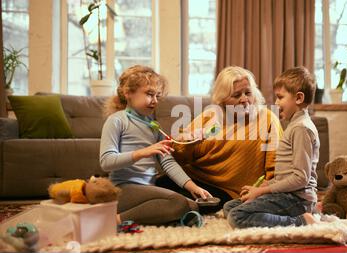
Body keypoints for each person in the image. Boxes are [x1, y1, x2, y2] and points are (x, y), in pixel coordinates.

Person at [158, 66, 283, 213]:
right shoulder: (210, 116)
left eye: (248, 93)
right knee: (158, 186)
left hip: (228, 192)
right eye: (236, 95)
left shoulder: (267, 119)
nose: (244, 99)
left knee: (177, 203)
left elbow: (276, 165)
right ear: (222, 100)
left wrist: (262, 192)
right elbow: (179, 158)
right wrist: (186, 142)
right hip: (192, 180)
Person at [100, 65, 211, 225]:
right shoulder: (117, 121)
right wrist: (143, 152)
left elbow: (167, 162)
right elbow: (106, 162)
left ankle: (153, 215)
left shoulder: (153, 125)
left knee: (193, 204)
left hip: (147, 189)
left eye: (157, 96)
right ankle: (115, 220)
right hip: (123, 190)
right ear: (128, 93)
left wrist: (193, 187)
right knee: (177, 203)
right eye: (149, 94)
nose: (155, 101)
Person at [223, 66, 320, 228]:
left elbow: (300, 178)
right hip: (286, 195)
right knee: (230, 207)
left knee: (237, 216)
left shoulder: (301, 128)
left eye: (280, 97)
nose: (276, 102)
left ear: (298, 98)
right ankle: (284, 216)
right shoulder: (294, 126)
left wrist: (262, 192)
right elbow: (287, 174)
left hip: (297, 200)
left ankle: (301, 221)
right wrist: (265, 185)